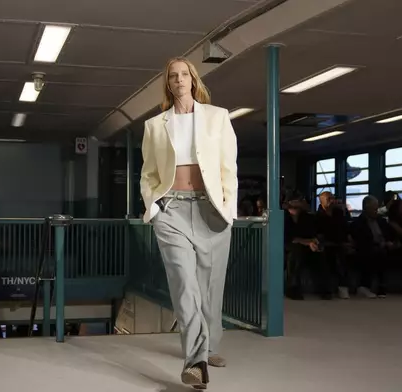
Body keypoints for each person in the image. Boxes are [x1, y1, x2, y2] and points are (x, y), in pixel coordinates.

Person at [140, 57, 237, 389]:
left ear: (194, 79)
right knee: (184, 284)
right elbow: (148, 174)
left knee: (211, 287)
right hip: (171, 211)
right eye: (173, 76)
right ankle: (196, 363)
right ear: (168, 83)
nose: (179, 80)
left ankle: (209, 347)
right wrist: (153, 207)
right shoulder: (155, 125)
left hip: (211, 211)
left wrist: (229, 209)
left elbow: (228, 168)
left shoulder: (217, 117)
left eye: (185, 74)